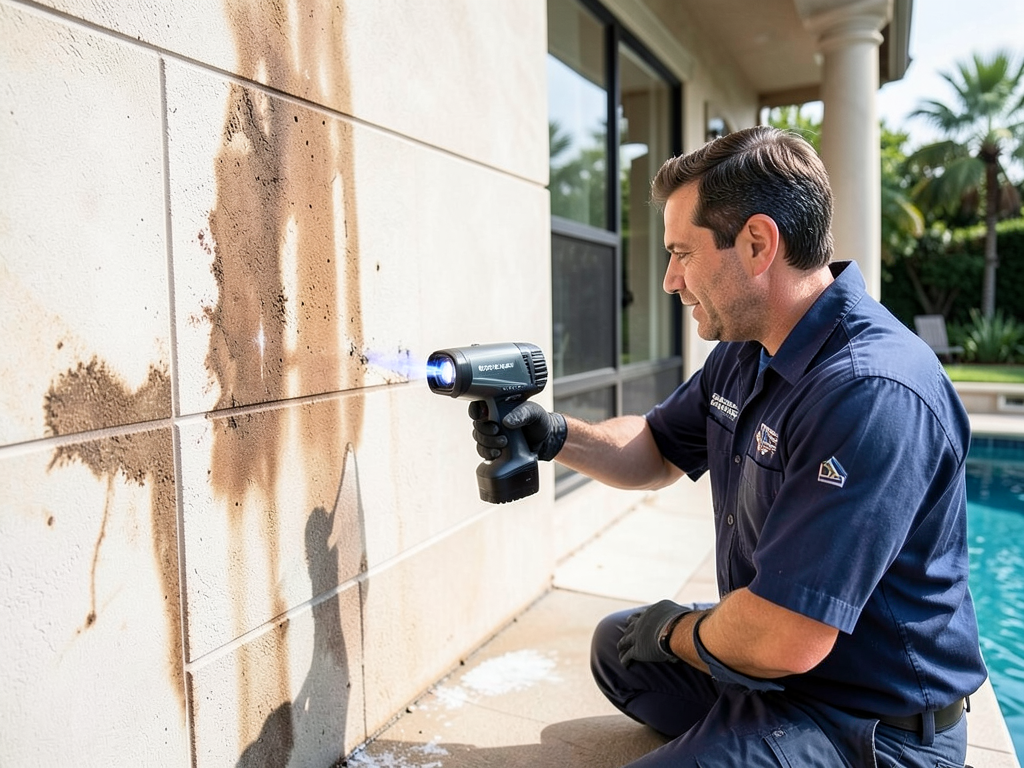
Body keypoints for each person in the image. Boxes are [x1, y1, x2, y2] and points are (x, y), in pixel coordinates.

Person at [470, 125, 987, 767]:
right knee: (618, 649)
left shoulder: (871, 391)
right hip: (778, 678)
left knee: (659, 640)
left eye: (682, 253)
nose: (668, 281)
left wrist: (676, 632)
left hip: (871, 724)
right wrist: (552, 434)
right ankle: (742, 731)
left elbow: (784, 637)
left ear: (756, 243)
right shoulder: (748, 351)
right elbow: (654, 449)